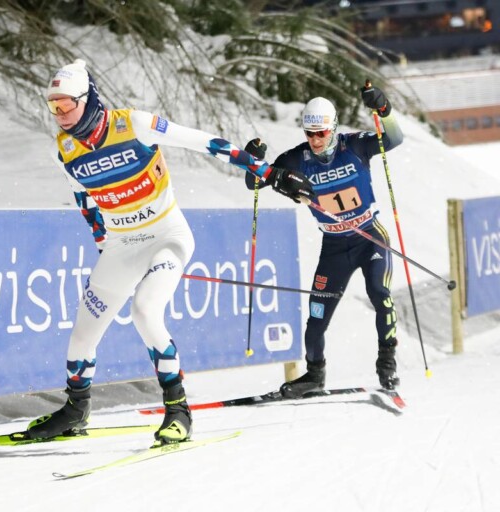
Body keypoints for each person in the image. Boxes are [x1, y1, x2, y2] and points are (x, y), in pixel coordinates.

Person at [26, 58, 314, 444]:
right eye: (53, 106)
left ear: (88, 99)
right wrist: (102, 241)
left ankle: (178, 409)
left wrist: (269, 173)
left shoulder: (135, 125)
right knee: (82, 336)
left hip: (166, 237)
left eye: (67, 104)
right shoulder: (63, 150)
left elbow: (206, 142)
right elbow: (83, 198)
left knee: (145, 311)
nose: (60, 114)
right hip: (121, 246)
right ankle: (76, 409)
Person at [246, 85, 405, 397]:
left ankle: (387, 362)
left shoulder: (356, 146)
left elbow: (394, 139)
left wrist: (383, 109)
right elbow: (255, 181)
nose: (315, 140)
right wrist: (251, 160)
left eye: (321, 133)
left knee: (380, 293)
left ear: (333, 128)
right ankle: (315, 374)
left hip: (369, 236)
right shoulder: (296, 159)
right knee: (316, 317)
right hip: (334, 247)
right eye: (309, 134)